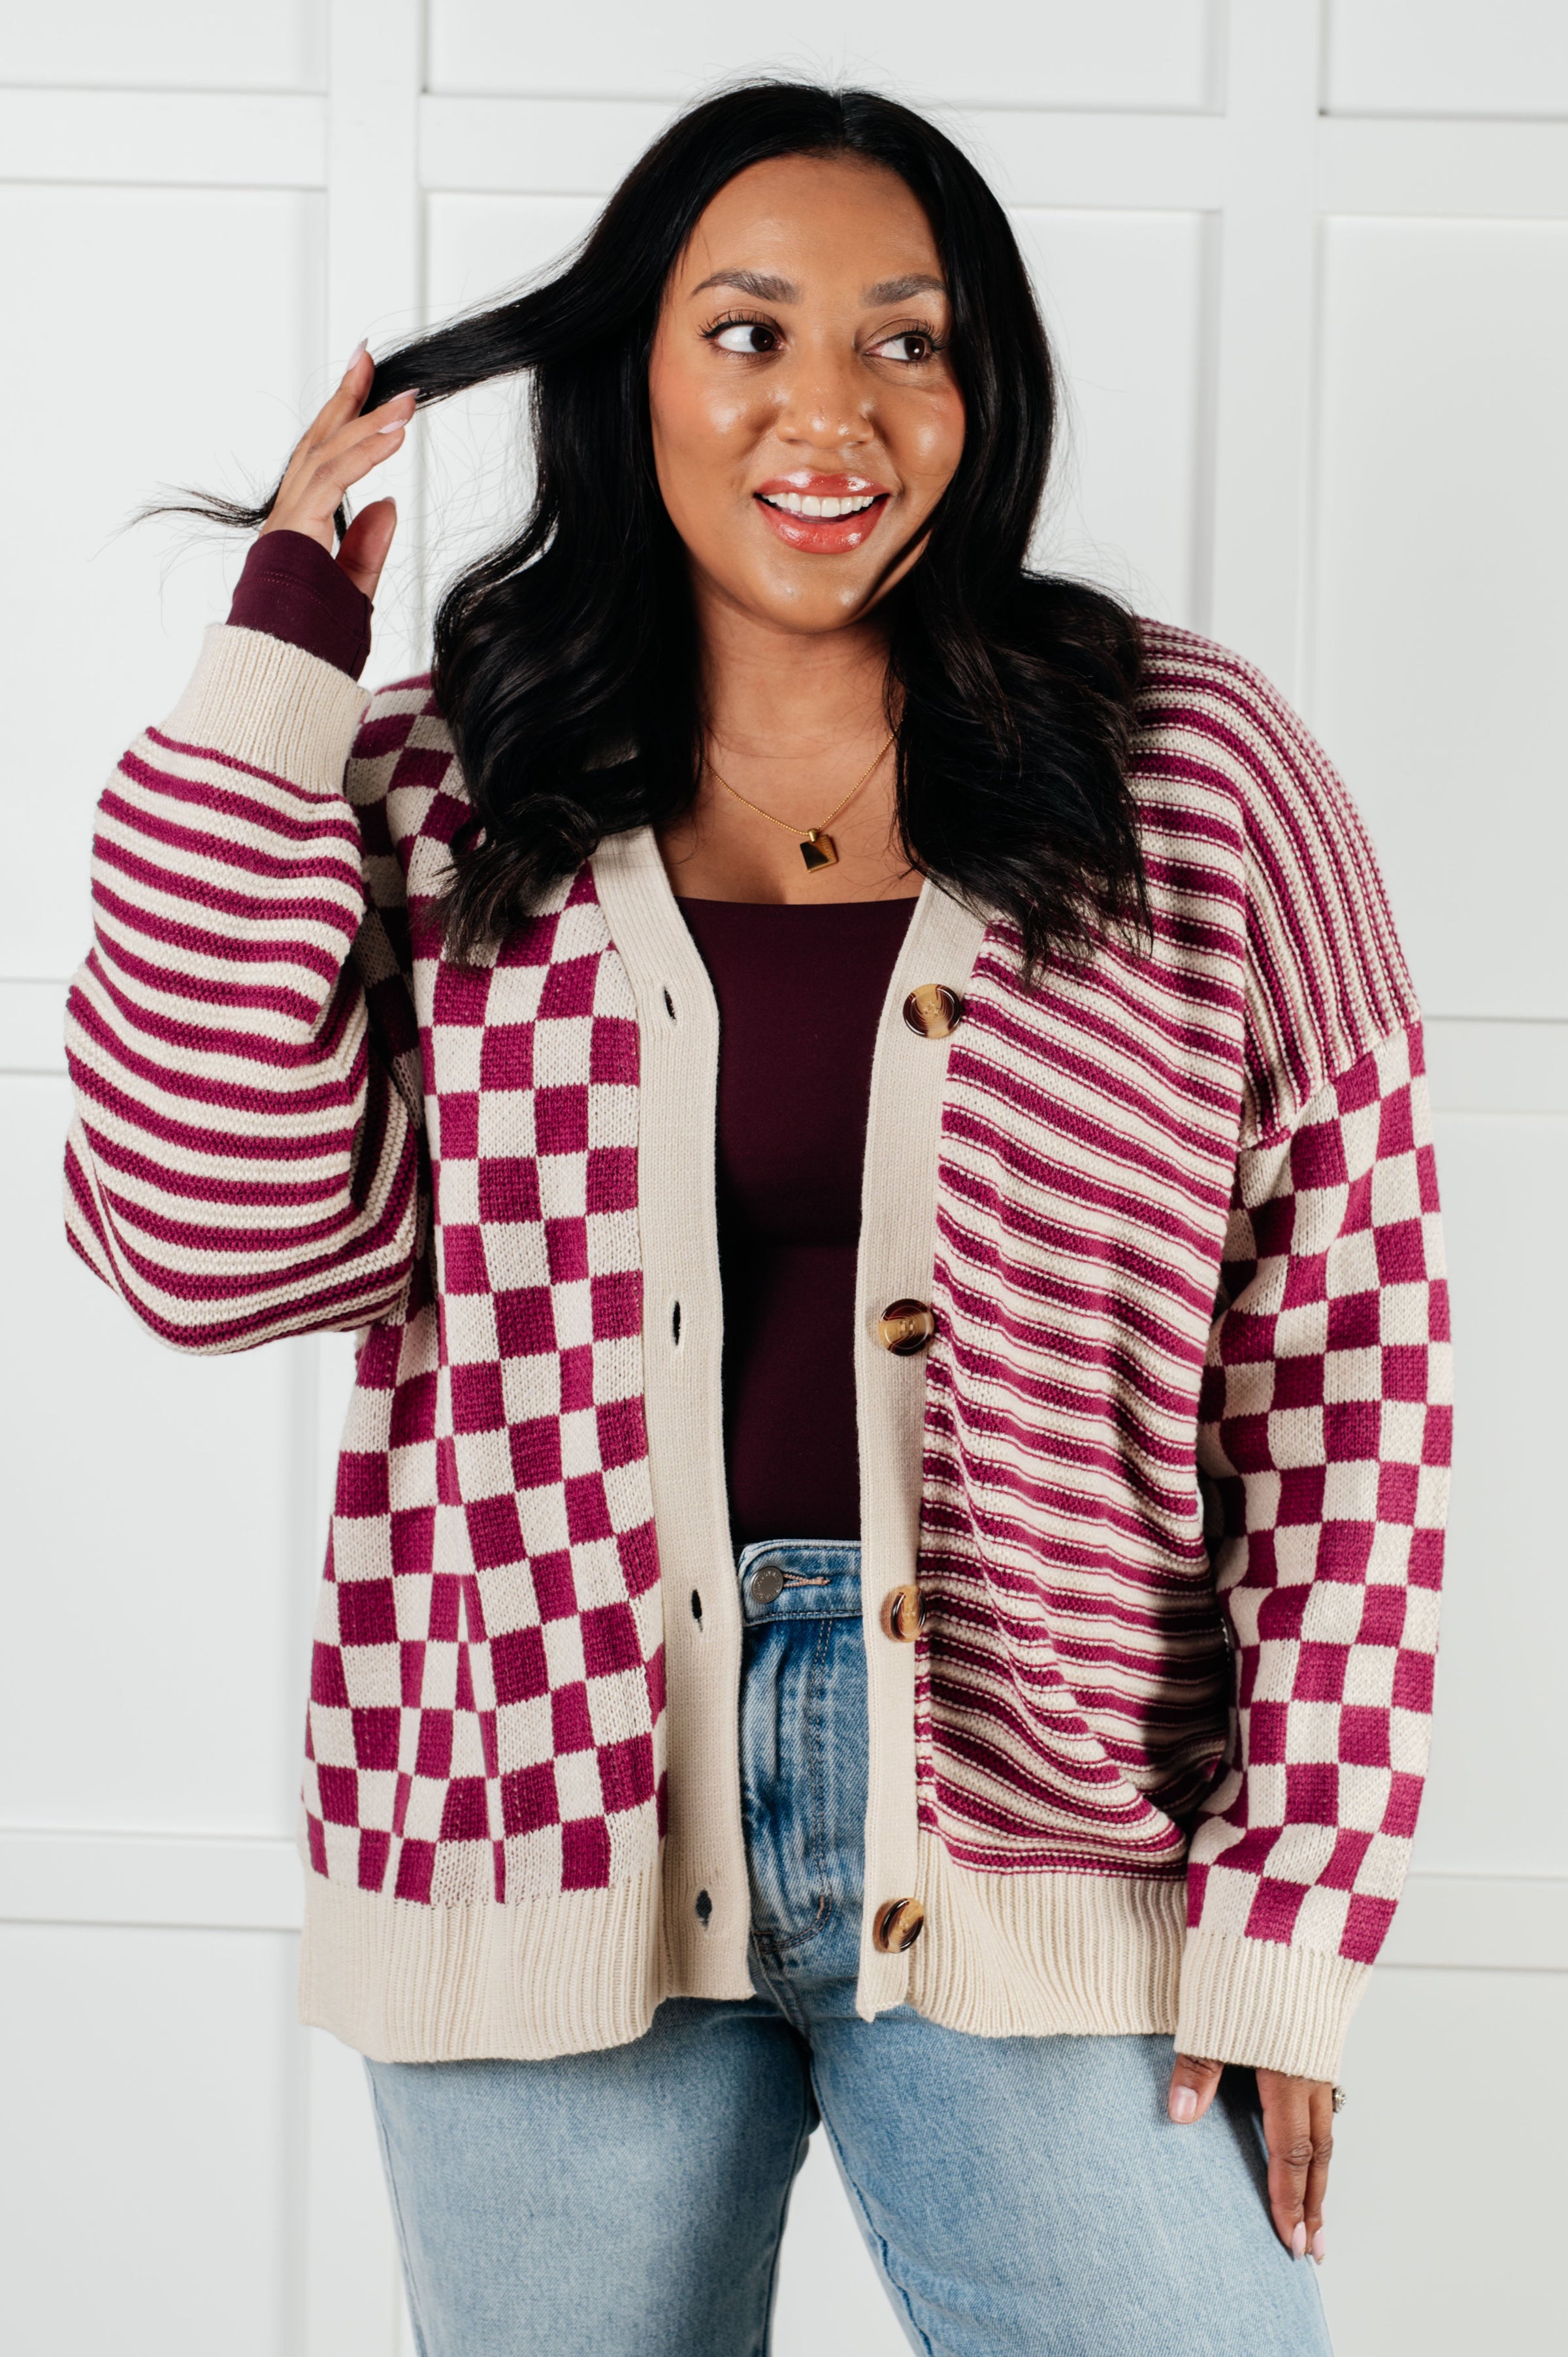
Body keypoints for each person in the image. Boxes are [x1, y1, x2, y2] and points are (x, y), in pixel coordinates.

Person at [63, 81, 1448, 2357]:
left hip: (1055, 1829)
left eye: (909, 341)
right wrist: (281, 654)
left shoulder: (1189, 773)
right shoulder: (446, 782)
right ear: (631, 372)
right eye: (749, 332)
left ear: (985, 392)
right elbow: (207, 1242)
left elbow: (1351, 1383)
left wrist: (1294, 1903)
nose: (835, 411)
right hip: (528, 1814)